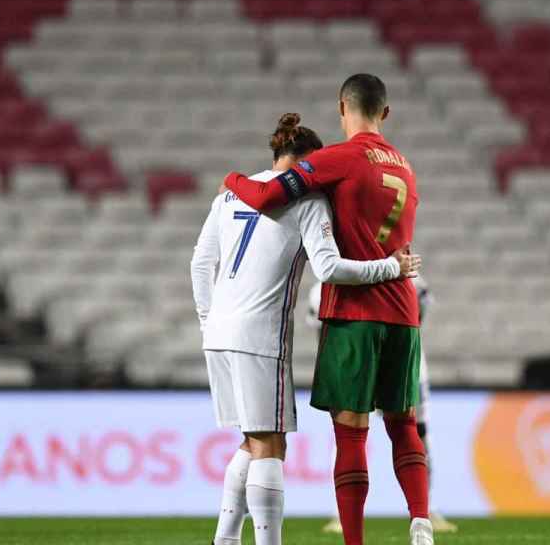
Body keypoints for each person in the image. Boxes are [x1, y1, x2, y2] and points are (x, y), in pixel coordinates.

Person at [191, 113, 421, 545]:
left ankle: (224, 538)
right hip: (260, 336)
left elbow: (200, 263)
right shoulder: (307, 200)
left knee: (251, 438)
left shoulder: (225, 199)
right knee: (270, 447)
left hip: (217, 333)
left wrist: (207, 319)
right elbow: (330, 268)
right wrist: (391, 266)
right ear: (305, 162)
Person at [308, 275, 458, 534]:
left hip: (369, 354)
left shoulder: (330, 278)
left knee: (354, 435)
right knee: (403, 430)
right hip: (377, 353)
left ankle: (425, 509)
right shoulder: (408, 276)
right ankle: (420, 515)